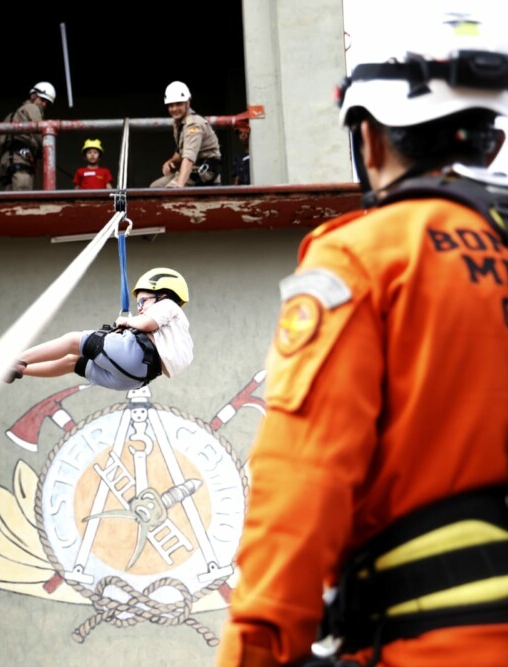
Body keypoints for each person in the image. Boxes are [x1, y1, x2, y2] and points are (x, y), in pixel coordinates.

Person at [217, 11, 508, 667]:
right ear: (487, 142)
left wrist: (255, 651)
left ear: (370, 140)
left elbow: (302, 478)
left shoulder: (362, 258)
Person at [7, 268, 193, 390]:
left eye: (143, 301)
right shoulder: (172, 331)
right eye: (138, 304)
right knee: (72, 362)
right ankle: (20, 369)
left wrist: (126, 321)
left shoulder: (168, 305)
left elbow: (146, 323)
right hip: (135, 379)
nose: (141, 308)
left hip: (134, 357)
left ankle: (17, 360)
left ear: (163, 296)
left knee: (73, 341)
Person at [150, 81, 223, 188]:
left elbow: (189, 157)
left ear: (188, 103)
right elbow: (181, 151)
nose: (174, 109)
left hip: (204, 171)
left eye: (178, 104)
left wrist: (179, 184)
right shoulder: (178, 122)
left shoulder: (194, 124)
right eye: (171, 105)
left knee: (169, 191)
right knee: (155, 187)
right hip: (192, 169)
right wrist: (171, 161)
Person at [0, 81, 55, 191]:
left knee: (9, 199)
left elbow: (0, 144)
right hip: (21, 160)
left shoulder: (9, 116)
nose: (44, 104)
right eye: (42, 100)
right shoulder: (32, 108)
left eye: (47, 103)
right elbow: (39, 132)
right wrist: (45, 152)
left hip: (5, 163)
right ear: (33, 95)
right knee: (23, 197)